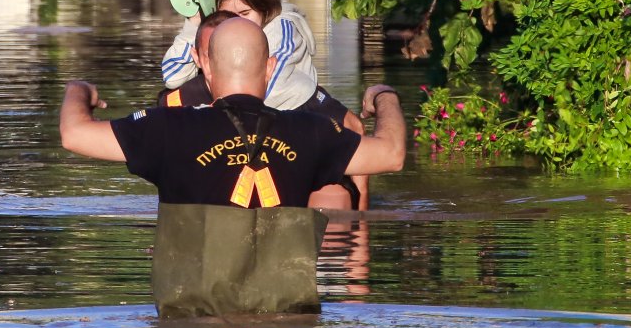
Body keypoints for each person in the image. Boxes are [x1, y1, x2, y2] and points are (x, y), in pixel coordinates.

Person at [63, 17, 406, 211]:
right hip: (283, 315)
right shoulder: (312, 131)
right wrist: (383, 95)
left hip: (193, 321)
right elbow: (391, 154)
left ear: (207, 67)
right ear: (271, 69)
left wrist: (79, 90)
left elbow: (74, 134)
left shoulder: (167, 128)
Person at [159, 0, 369, 206]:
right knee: (171, 99)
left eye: (245, 14)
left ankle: (360, 217)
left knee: (337, 192)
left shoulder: (283, 28)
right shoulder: (214, 32)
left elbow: (265, 85)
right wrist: (195, 23)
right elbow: (173, 76)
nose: (236, 25)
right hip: (250, 134)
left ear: (264, 8)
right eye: (227, 16)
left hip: (300, 120)